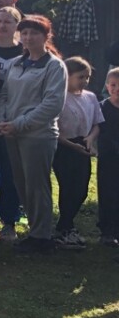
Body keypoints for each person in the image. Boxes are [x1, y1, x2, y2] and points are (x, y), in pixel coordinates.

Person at [0, 15, 67, 254]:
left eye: (34, 33)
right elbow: (4, 94)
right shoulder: (16, 63)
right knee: (21, 183)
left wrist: (20, 124)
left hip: (38, 135)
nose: (28, 38)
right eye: (24, 33)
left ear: (46, 36)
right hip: (11, 133)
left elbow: (52, 105)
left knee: (37, 185)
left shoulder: (54, 66)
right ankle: (35, 231)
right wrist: (1, 120)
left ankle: (42, 236)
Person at [51, 57, 102, 250]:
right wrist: (72, 145)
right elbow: (54, 128)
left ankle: (66, 224)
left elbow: (97, 123)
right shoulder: (59, 97)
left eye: (87, 77)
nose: (84, 81)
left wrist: (90, 139)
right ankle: (65, 227)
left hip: (83, 144)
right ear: (68, 76)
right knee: (68, 187)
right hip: (64, 147)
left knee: (81, 189)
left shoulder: (90, 97)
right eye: (80, 77)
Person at [0, 5, 23, 237]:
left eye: (8, 22)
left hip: (15, 121)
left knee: (11, 174)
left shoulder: (25, 52)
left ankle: (9, 222)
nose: (1, 25)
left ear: (17, 26)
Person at [97, 67, 119, 246]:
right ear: (107, 86)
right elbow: (99, 131)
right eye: (113, 85)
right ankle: (107, 231)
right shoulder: (102, 107)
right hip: (108, 158)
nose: (117, 89)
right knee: (108, 193)